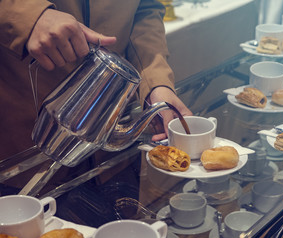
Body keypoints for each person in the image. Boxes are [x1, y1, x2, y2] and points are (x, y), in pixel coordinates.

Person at [0, 0, 192, 161]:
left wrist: (155, 82)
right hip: (24, 146)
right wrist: (29, 16)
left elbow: (144, 8)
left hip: (112, 143)